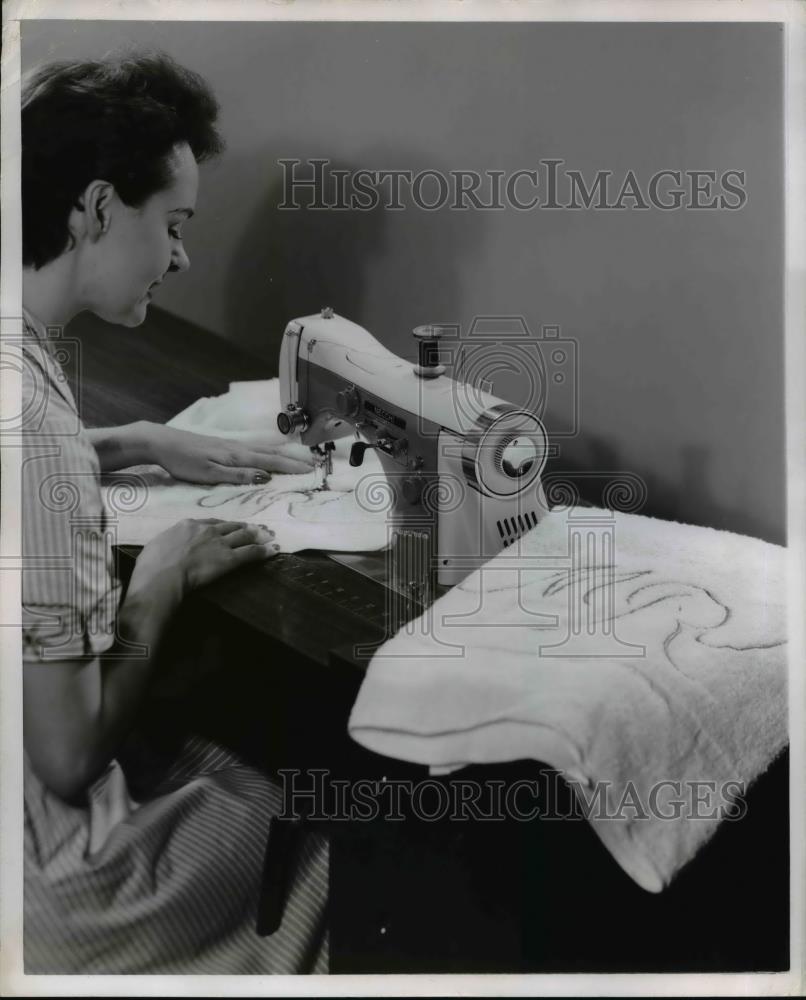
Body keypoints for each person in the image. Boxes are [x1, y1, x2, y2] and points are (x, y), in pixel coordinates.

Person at [20, 52, 328, 974]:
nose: (183, 256)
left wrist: (136, 439)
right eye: (174, 225)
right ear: (101, 209)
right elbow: (69, 757)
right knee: (322, 840)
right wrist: (160, 579)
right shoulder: (35, 428)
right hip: (44, 876)